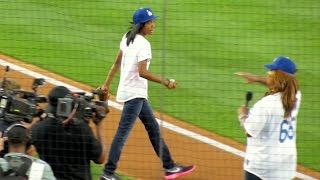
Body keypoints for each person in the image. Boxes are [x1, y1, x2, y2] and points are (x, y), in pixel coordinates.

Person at [99, 7, 195, 180]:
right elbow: (142, 72)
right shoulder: (144, 44)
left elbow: (116, 63)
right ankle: (108, 173)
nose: (153, 25)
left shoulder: (127, 37)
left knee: (153, 129)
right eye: (150, 22)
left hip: (134, 93)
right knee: (122, 133)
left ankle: (170, 167)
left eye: (153, 21)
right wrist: (166, 81)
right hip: (134, 94)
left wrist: (106, 85)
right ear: (141, 25)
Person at [235, 56, 301, 180]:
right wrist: (257, 78)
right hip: (287, 164)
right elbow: (284, 83)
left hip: (262, 168)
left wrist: (243, 114)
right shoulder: (295, 95)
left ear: (278, 77)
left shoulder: (266, 104)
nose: (268, 73)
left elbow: (249, 131)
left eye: (272, 71)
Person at [31, 86, 108, 180]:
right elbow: (100, 159)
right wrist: (99, 125)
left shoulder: (38, 129)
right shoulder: (82, 129)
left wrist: (42, 117)